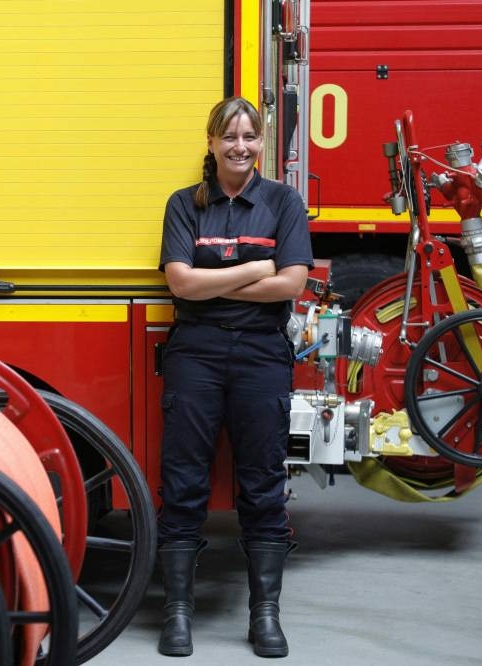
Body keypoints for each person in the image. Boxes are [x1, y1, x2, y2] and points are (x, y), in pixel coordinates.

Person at [155, 96, 313, 658]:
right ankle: (177, 615)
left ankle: (264, 616)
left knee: (264, 482)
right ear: (212, 142)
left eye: (250, 136)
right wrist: (255, 268)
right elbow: (180, 284)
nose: (240, 147)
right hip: (194, 353)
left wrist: (212, 278)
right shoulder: (184, 204)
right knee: (183, 482)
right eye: (230, 137)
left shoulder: (283, 201)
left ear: (262, 142)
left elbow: (292, 285)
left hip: (261, 356)